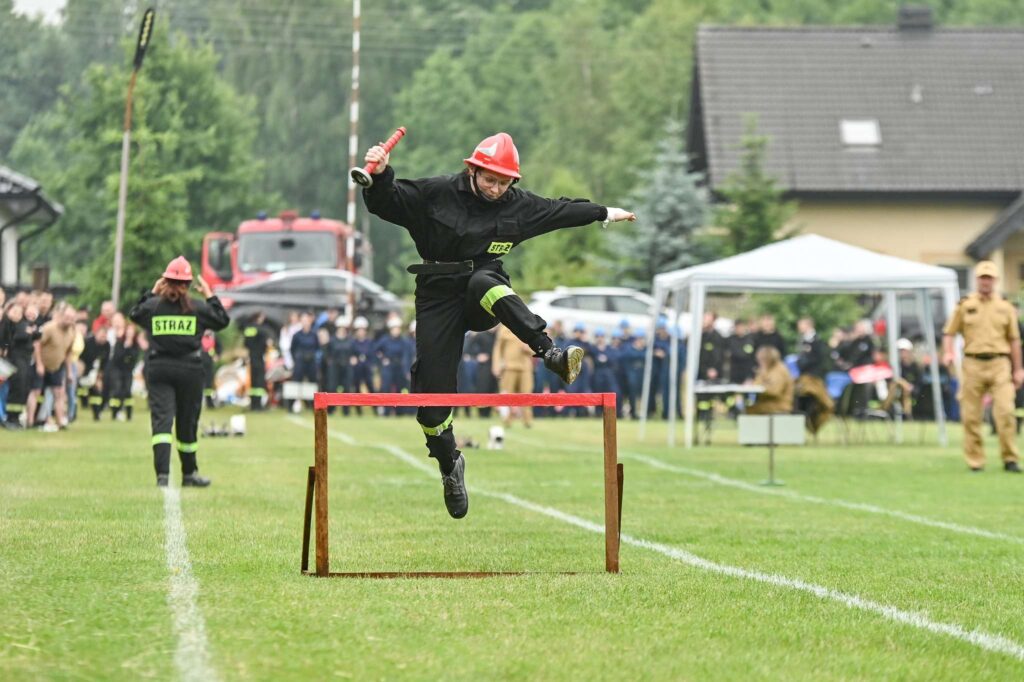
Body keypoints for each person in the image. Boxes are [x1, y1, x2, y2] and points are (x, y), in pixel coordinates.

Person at [361, 132, 635, 518]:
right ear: (473, 169)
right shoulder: (438, 191)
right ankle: (449, 464)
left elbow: (560, 211)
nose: (495, 188)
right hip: (437, 294)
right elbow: (388, 203)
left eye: (503, 182)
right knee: (431, 404)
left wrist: (605, 213)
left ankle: (550, 353)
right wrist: (383, 175)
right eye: (489, 179)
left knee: (484, 281)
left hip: (481, 294)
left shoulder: (519, 207)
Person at [129, 256, 229, 487]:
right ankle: (189, 473)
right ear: (187, 284)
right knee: (187, 421)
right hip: (190, 370)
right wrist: (209, 294)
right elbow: (222, 321)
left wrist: (152, 294)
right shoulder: (198, 307)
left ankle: (162, 475)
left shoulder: (153, 306)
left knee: (162, 422)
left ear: (164, 281)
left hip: (158, 368)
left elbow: (135, 314)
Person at [942, 261, 1024, 473]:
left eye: (989, 278)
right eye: (982, 278)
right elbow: (949, 333)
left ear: (995, 281)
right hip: (972, 363)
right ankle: (975, 461)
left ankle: (1010, 458)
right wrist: (948, 352)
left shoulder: (1005, 307)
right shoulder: (965, 305)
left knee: (1005, 411)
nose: (986, 281)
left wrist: (1018, 369)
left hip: (1000, 363)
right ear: (977, 280)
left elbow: (1015, 340)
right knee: (971, 415)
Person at [33, 302, 77, 431]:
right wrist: (39, 364)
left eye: (72, 318)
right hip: (41, 365)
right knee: (35, 392)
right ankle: (31, 421)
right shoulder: (49, 328)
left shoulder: (72, 332)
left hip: (56, 367)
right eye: (67, 317)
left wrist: (69, 372)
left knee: (59, 393)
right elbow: (37, 345)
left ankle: (60, 422)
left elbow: (68, 353)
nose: (69, 321)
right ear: (61, 316)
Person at [491, 323, 535, 427]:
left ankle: (527, 420)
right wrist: (496, 365)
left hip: (525, 368)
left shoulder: (527, 326)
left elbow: (536, 350)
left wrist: (528, 349)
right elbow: (498, 349)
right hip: (509, 367)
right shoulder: (504, 328)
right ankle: (507, 420)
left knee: (527, 394)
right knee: (507, 395)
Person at [795, 317, 833, 434]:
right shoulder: (803, 340)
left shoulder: (817, 342)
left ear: (808, 325)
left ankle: (812, 423)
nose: (799, 327)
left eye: (801, 325)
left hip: (813, 379)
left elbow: (819, 361)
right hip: (804, 378)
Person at [747, 346, 794, 414]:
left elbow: (774, 391)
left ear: (767, 359)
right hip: (768, 403)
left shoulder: (779, 370)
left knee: (750, 409)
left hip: (779, 405)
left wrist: (760, 385)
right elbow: (757, 384)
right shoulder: (767, 369)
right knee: (748, 408)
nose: (759, 362)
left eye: (760, 360)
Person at [242, 312, 272, 410]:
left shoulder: (248, 329)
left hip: (251, 357)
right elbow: (267, 343)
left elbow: (246, 343)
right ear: (258, 318)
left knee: (253, 381)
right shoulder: (262, 330)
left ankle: (253, 404)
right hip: (259, 357)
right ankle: (258, 405)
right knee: (259, 381)